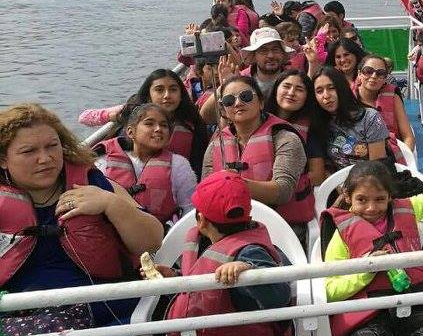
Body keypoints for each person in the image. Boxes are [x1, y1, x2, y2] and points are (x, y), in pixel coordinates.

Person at [1, 104, 163, 336]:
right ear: (3, 159)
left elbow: (152, 240)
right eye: (28, 151)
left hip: (99, 307)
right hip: (21, 317)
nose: (45, 158)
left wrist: (112, 205)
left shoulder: (92, 182)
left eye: (52, 146)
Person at [322, 117, 423, 336]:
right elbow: (329, 290)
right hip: (368, 318)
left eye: (379, 199)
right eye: (362, 200)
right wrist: (365, 271)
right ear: (348, 198)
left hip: (414, 309)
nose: (371, 207)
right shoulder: (341, 234)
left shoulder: (409, 209)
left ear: (390, 197)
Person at [144, 171, 293, 336]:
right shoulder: (210, 245)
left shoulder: (251, 251)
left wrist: (249, 271)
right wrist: (174, 277)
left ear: (201, 220)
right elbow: (202, 286)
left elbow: (279, 294)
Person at [202, 76, 313, 247]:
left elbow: (283, 191)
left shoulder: (286, 138)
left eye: (245, 96)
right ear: (223, 111)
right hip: (228, 232)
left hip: (282, 229)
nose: (238, 103)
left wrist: (234, 184)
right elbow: (206, 193)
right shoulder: (216, 144)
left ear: (261, 102)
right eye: (229, 101)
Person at [80, 68, 210, 178]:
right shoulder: (132, 113)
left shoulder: (193, 124)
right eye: (159, 90)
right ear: (149, 95)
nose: (167, 95)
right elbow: (84, 117)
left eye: (173, 90)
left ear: (181, 94)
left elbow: (198, 166)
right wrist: (116, 116)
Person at [93, 104, 197, 226]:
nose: (158, 129)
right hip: (113, 235)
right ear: (131, 132)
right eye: (149, 123)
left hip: (161, 237)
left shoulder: (179, 165)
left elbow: (189, 210)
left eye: (164, 125)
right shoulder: (103, 163)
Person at [312, 67, 389, 177]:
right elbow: (326, 167)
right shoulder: (320, 123)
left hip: (372, 183)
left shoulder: (370, 118)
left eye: (331, 88)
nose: (326, 95)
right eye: (319, 91)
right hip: (338, 186)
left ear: (342, 88)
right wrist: (339, 189)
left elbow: (377, 168)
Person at [262, 69, 327, 190]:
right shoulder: (256, 119)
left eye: (299, 89)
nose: (291, 93)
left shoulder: (310, 129)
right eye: (286, 86)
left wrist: (283, 185)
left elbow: (318, 175)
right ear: (276, 89)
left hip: (290, 196)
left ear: (307, 97)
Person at [354, 54, 416, 158]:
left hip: (390, 156)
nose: (373, 76)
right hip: (357, 157)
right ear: (359, 73)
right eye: (368, 71)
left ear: (385, 78)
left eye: (380, 73)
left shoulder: (393, 97)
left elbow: (408, 137)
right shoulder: (349, 98)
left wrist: (404, 160)